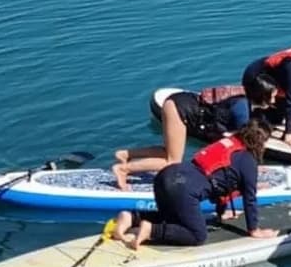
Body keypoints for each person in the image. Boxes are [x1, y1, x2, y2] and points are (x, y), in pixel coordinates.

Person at [112, 122, 279, 249]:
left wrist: (221, 213)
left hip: (166, 175)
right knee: (197, 236)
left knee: (173, 219)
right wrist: (254, 230)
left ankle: (132, 218)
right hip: (182, 189)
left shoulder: (227, 143)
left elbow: (219, 181)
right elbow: (250, 199)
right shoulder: (248, 161)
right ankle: (150, 230)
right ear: (259, 143)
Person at [111, 80, 276, 191]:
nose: (275, 100)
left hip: (180, 102)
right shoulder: (242, 110)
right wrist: (251, 175)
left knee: (169, 152)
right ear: (263, 95)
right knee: (173, 161)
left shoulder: (243, 100)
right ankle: (123, 169)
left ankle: (126, 155)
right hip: (182, 109)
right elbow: (241, 148)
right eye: (273, 96)